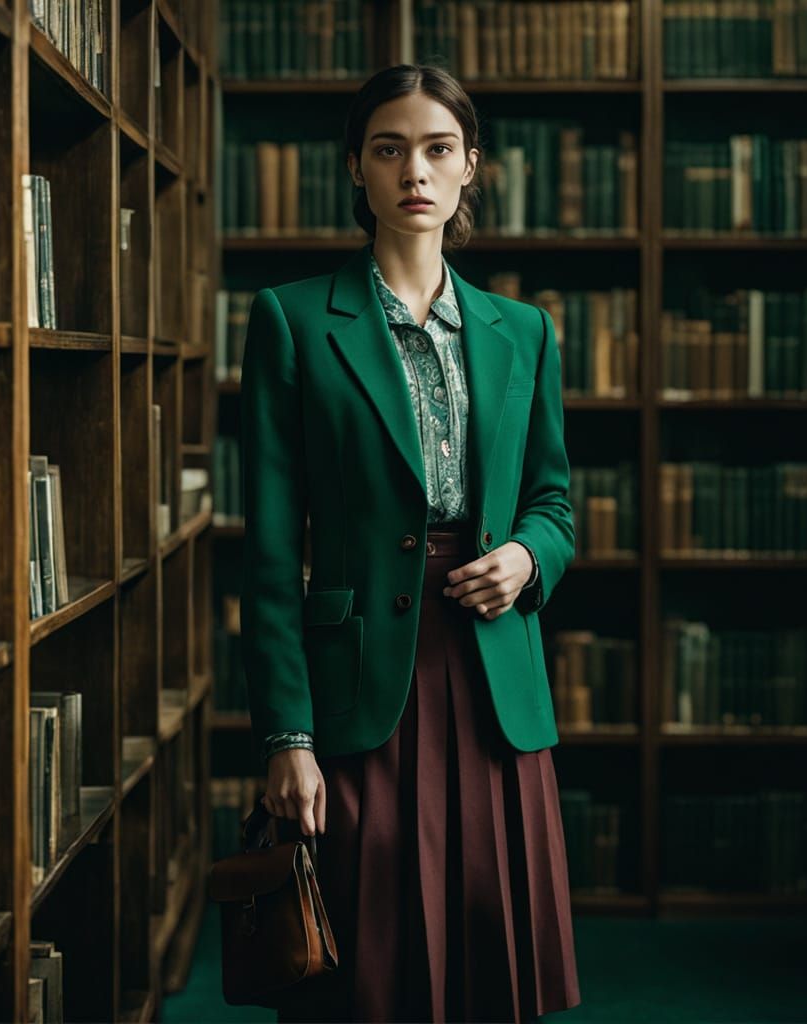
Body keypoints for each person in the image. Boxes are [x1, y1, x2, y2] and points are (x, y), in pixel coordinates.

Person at [238, 62, 583, 1024]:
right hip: (357, 687)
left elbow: (553, 505)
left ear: (472, 166)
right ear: (357, 167)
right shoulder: (293, 320)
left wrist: (526, 560)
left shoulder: (525, 331)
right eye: (389, 149)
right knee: (369, 968)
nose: (414, 172)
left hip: (490, 675)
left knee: (487, 956)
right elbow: (269, 552)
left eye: (437, 150)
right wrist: (286, 736)